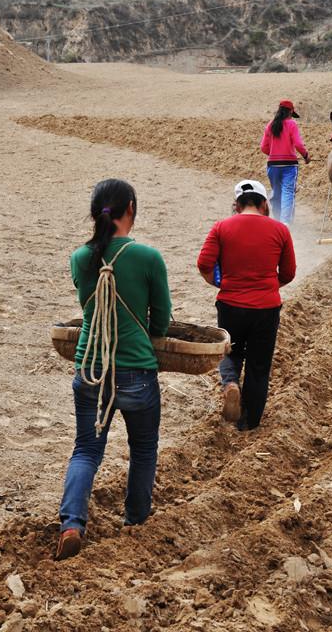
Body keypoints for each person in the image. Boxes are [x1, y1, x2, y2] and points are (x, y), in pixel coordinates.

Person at [56, 179, 171, 561]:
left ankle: (72, 524)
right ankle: (135, 521)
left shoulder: (79, 258)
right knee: (143, 449)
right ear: (130, 210)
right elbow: (162, 319)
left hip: (91, 369)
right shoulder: (149, 258)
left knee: (86, 450)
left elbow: (89, 307)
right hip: (137, 372)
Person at [197, 180, 296, 431]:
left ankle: (230, 383)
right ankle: (249, 423)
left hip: (230, 304)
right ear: (264, 204)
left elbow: (204, 263)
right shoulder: (280, 230)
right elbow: (288, 272)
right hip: (266, 308)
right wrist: (268, 287)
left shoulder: (221, 227)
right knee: (258, 364)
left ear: (237, 205)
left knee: (230, 351)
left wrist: (218, 283)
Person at [261, 99, 311, 226]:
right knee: (288, 192)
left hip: (273, 166)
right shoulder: (292, 124)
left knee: (276, 193)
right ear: (290, 112)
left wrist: (274, 154)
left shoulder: (270, 125)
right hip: (289, 165)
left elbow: (263, 147)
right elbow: (298, 144)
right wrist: (305, 156)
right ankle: (285, 223)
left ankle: (277, 221)